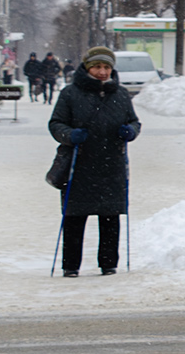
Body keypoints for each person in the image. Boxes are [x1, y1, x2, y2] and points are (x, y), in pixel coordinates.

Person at [48, 46, 140, 277]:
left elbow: (134, 121)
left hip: (112, 164)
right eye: (98, 66)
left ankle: (108, 264)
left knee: (110, 216)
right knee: (75, 216)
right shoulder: (70, 93)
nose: (102, 72)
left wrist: (130, 131)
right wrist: (70, 136)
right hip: (79, 164)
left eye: (107, 67)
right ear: (88, 67)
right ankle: (71, 265)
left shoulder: (120, 94)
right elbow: (56, 124)